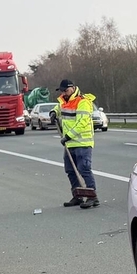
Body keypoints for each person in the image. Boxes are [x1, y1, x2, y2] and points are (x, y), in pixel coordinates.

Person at [56, 79, 99, 209]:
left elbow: (82, 122)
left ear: (73, 88)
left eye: (66, 90)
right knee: (70, 170)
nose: (64, 93)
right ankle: (78, 195)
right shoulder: (64, 101)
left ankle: (93, 197)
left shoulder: (83, 102)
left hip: (82, 142)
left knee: (84, 169)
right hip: (70, 144)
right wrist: (54, 112)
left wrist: (68, 136)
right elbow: (58, 108)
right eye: (62, 91)